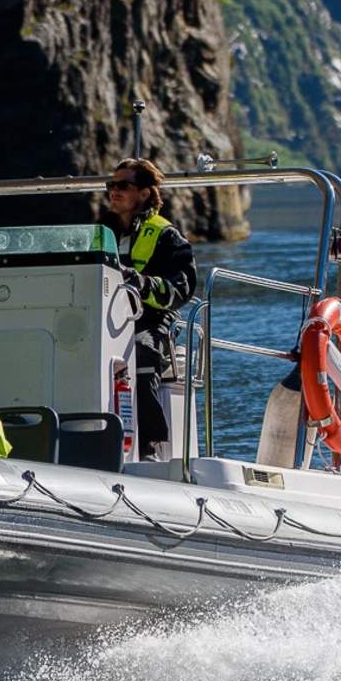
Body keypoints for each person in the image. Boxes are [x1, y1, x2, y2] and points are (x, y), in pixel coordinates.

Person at [103, 157, 199, 460]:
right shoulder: (99, 231)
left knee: (140, 356)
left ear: (144, 193)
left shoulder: (165, 235)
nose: (114, 191)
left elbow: (182, 288)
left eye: (123, 185)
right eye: (111, 185)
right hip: (101, 318)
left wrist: (142, 284)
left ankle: (147, 448)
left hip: (150, 322)